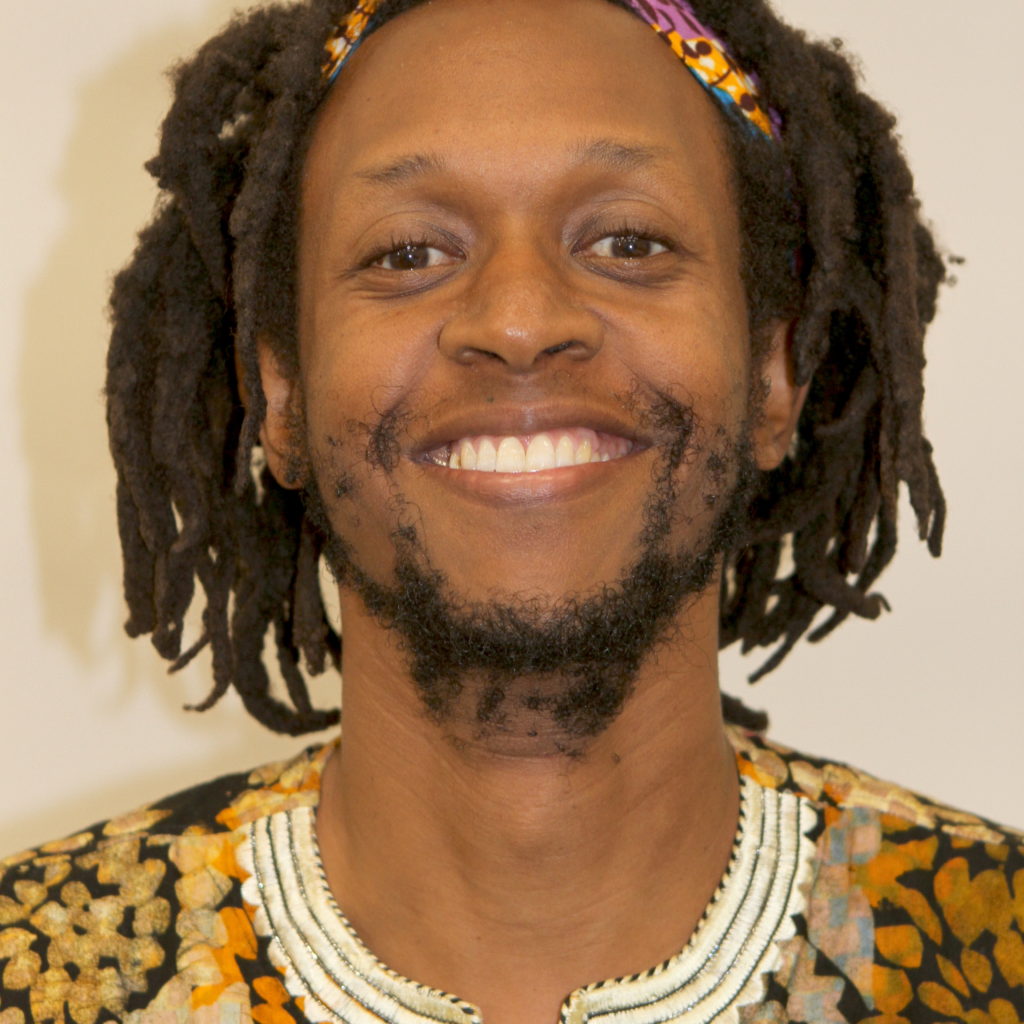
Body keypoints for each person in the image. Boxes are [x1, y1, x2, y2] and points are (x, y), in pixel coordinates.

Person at [1, 0, 1021, 1021]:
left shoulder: (996, 944)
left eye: (627, 240)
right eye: (408, 253)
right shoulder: (36, 973)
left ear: (771, 374)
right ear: (283, 397)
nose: (521, 321)